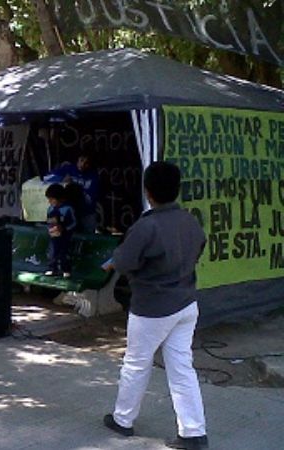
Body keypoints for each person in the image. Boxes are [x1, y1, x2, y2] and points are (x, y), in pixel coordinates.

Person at [102, 161, 208, 450]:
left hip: (153, 307)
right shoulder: (190, 220)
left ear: (148, 192)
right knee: (182, 368)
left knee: (136, 364)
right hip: (186, 303)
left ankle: (123, 420)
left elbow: (123, 262)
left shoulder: (146, 226)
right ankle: (194, 431)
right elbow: (200, 246)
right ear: (177, 190)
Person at [43, 152, 99, 233]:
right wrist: (61, 180)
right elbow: (46, 178)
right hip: (69, 212)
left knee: (86, 239)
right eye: (81, 160)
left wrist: (78, 189)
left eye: (86, 163)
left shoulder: (93, 175)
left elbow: (91, 199)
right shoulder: (68, 169)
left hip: (86, 214)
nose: (82, 165)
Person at [45, 183, 76, 278]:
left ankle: (66, 269)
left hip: (65, 236)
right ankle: (52, 268)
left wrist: (65, 228)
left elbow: (74, 223)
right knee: (52, 252)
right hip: (53, 235)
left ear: (60, 198)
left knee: (64, 253)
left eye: (52, 199)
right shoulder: (50, 209)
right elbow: (48, 221)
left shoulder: (68, 209)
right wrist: (50, 229)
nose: (49, 201)